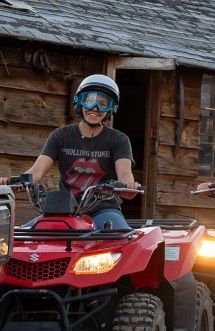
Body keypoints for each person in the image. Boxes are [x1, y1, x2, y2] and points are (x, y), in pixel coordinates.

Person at [11, 73, 142, 230]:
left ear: (111, 108)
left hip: (103, 210)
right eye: (89, 101)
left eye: (102, 103)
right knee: (22, 237)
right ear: (80, 102)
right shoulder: (60, 136)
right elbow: (36, 173)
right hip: (63, 210)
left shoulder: (118, 140)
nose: (95, 108)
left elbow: (125, 175)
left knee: (121, 238)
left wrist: (129, 186)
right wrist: (12, 183)